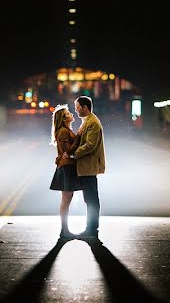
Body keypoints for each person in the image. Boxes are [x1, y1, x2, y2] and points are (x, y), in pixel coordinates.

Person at [63, 96, 105, 240]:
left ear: (85, 107)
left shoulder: (93, 123)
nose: (75, 110)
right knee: (90, 198)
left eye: (77, 107)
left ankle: (92, 229)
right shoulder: (86, 122)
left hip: (89, 166)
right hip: (85, 166)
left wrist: (74, 154)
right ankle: (91, 228)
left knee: (91, 198)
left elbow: (90, 145)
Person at [49, 105, 81, 239]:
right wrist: (79, 137)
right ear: (63, 118)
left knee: (67, 199)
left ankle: (65, 230)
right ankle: (64, 230)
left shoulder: (66, 130)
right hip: (66, 167)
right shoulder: (63, 131)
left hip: (68, 166)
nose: (71, 114)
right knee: (66, 200)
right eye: (68, 113)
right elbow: (69, 150)